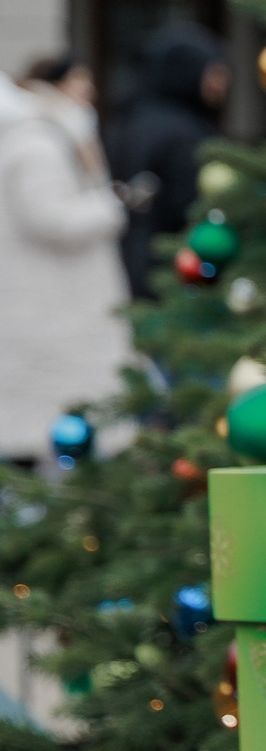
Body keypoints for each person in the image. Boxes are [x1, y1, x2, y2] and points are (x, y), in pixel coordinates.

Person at [0, 55, 128, 467]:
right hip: (53, 308)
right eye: (79, 81)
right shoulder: (37, 141)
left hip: (43, 305)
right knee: (55, 421)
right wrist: (111, 207)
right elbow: (51, 217)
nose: (89, 91)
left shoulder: (36, 135)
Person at [112, 21, 230, 300]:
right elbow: (188, 206)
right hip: (177, 268)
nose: (222, 83)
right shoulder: (184, 133)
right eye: (215, 72)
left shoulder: (129, 120)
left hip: (128, 262)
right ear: (189, 72)